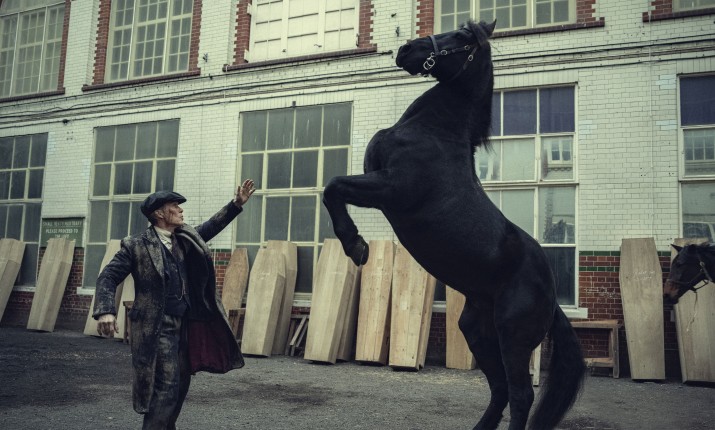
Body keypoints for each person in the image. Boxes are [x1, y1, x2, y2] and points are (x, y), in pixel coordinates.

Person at [93, 179, 256, 430]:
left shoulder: (185, 238)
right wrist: (105, 311)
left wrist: (235, 204)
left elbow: (211, 226)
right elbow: (108, 276)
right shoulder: (136, 245)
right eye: (175, 206)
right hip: (156, 326)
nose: (181, 210)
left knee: (180, 383)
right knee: (166, 385)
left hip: (185, 324)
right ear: (159, 214)